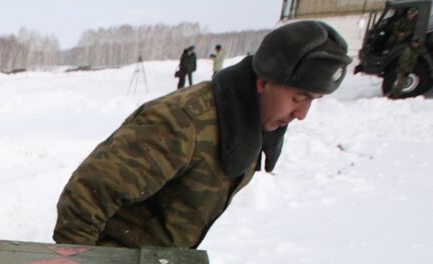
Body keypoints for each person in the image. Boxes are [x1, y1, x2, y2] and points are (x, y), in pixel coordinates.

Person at [54, 21, 349, 249]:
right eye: (298, 98)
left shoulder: (248, 123)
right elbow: (86, 196)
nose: (302, 114)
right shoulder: (183, 122)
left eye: (313, 101)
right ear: (263, 82)